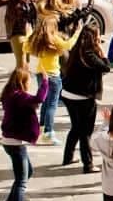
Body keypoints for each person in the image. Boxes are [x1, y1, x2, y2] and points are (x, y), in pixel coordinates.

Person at [0, 68, 48, 201]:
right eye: (28, 81)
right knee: (22, 181)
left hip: (9, 141)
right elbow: (40, 98)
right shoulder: (19, 96)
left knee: (28, 172)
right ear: (22, 81)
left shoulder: (9, 93)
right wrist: (45, 82)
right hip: (16, 143)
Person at [60, 24, 110, 174]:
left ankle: (68, 157)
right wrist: (102, 53)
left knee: (76, 127)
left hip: (68, 94)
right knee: (85, 131)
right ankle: (88, 164)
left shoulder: (76, 49)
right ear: (94, 37)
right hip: (82, 97)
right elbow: (106, 67)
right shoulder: (89, 54)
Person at [25, 16, 83, 144]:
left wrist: (29, 33)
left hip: (41, 74)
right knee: (51, 105)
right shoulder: (54, 39)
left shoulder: (38, 40)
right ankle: (49, 133)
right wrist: (78, 31)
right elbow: (68, 45)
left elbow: (25, 48)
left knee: (45, 103)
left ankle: (41, 129)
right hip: (53, 75)